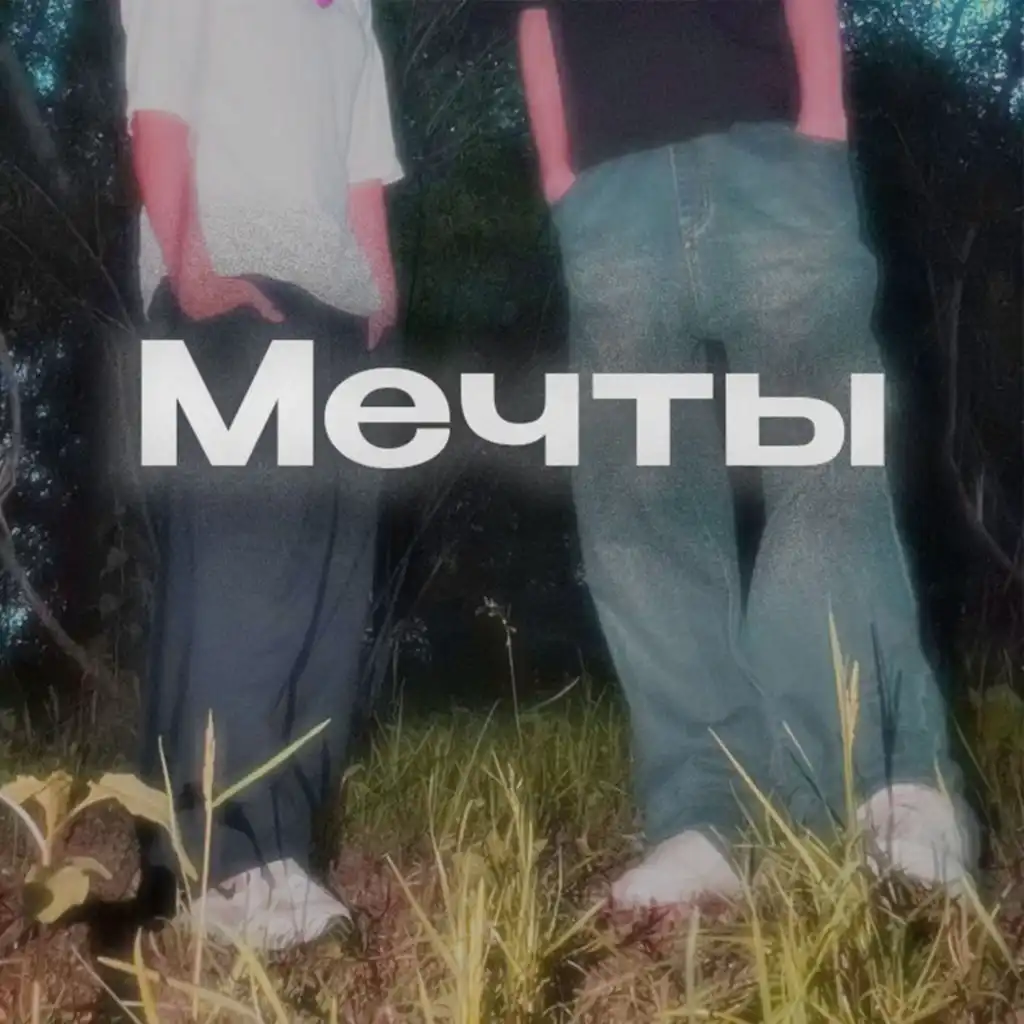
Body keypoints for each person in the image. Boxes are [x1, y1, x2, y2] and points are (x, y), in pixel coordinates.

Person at [515, 0, 978, 908]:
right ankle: (704, 817)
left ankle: (890, 790)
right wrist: (560, 176)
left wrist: (822, 122)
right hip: (607, 194)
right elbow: (533, 15)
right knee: (639, 507)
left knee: (827, 466)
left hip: (773, 156)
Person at [117, 0, 404, 950]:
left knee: (325, 589)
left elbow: (363, 158)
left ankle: (245, 853)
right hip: (233, 280)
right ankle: (230, 862)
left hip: (336, 302)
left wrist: (379, 285)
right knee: (249, 577)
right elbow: (159, 106)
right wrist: (188, 262)